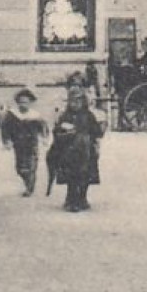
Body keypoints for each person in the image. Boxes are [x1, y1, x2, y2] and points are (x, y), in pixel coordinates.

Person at [50, 83, 103, 212]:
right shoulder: (65, 116)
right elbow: (57, 132)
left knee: (85, 176)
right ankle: (71, 199)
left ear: (83, 101)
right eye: (72, 101)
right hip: (69, 152)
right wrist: (62, 132)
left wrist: (98, 132)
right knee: (71, 177)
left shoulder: (88, 116)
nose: (75, 104)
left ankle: (83, 198)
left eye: (78, 101)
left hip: (86, 151)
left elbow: (96, 132)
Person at [0, 88, 49, 197]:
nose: (23, 105)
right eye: (21, 102)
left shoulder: (35, 116)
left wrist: (44, 137)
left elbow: (43, 128)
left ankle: (29, 188)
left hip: (32, 145)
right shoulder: (12, 115)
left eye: (26, 102)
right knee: (20, 168)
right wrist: (6, 141)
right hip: (19, 145)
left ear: (30, 103)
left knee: (31, 166)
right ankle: (27, 182)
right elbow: (5, 129)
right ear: (17, 103)